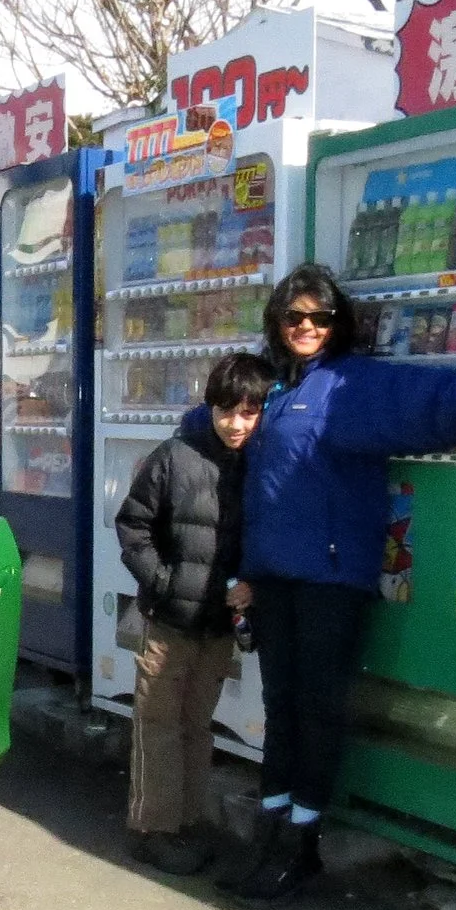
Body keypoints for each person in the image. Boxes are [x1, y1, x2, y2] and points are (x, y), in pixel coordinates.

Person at [219, 264, 456, 901]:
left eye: (321, 317)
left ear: (338, 323)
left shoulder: (349, 384)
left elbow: (417, 400)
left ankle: (303, 841)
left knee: (317, 709)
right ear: (277, 322)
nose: (308, 328)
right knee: (282, 708)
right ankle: (273, 825)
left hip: (329, 577)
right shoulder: (272, 388)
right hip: (273, 576)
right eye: (295, 317)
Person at [115, 353, 270, 874]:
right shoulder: (173, 457)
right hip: (169, 621)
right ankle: (150, 828)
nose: (237, 425)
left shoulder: (258, 464)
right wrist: (165, 583)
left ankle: (186, 821)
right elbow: (132, 528)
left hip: (219, 627)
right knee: (158, 723)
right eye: (228, 412)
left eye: (250, 413)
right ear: (211, 408)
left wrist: (252, 583)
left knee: (197, 726)